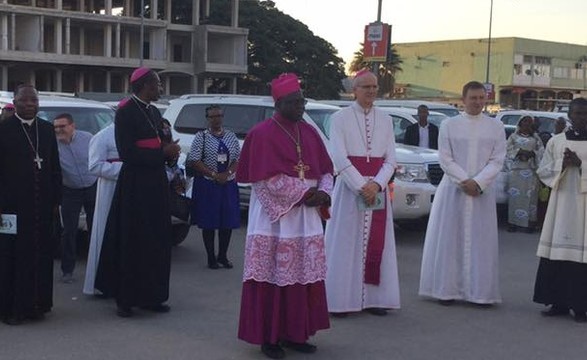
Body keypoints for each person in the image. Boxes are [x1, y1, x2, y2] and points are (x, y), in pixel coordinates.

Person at [236, 73, 333, 359]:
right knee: (272, 277)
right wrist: (306, 195)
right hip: (275, 220)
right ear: (279, 103)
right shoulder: (262, 134)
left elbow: (327, 169)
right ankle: (269, 338)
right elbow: (264, 179)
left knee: (302, 276)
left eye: (302, 100)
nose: (301, 105)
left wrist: (324, 192)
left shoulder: (310, 132)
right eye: (295, 101)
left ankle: (296, 332)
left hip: (306, 218)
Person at [95, 68, 181, 318]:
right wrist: (161, 153)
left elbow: (161, 142)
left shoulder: (154, 112)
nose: (160, 89)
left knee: (156, 241)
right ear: (144, 86)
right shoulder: (125, 112)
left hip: (156, 183)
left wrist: (170, 153)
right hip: (134, 184)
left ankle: (152, 296)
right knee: (133, 241)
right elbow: (127, 153)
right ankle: (126, 299)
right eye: (157, 84)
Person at [419, 81, 506, 306]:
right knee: (449, 240)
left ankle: (480, 293)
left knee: (481, 241)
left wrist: (478, 182)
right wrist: (464, 180)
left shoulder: (495, 127)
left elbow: (498, 159)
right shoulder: (449, 125)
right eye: (473, 98)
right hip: (453, 190)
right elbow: (445, 157)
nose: (477, 102)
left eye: (481, 98)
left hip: (481, 192)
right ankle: (446, 291)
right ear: (464, 99)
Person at [324, 69, 400, 317]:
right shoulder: (340, 119)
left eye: (374, 87)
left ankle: (375, 299)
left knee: (377, 243)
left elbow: (391, 159)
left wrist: (376, 185)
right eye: (365, 87)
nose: (371, 91)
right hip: (349, 190)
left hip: (375, 189)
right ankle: (342, 300)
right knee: (346, 244)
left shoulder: (386, 120)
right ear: (354, 90)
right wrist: (360, 185)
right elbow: (338, 156)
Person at [0, 84, 62, 325]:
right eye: (24, 101)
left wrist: (57, 200)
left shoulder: (46, 130)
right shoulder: (4, 130)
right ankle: (11, 308)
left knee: (40, 255)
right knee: (11, 256)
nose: (29, 105)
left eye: (34, 101)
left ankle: (38, 304)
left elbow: (55, 167)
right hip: (11, 207)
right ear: (15, 102)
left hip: (41, 206)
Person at [533, 97, 587, 323]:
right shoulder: (556, 141)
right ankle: (558, 302)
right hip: (561, 204)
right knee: (556, 253)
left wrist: (581, 164)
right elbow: (542, 171)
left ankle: (581, 307)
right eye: (576, 113)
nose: (581, 118)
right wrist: (561, 165)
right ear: (569, 116)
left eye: (585, 114)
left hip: (584, 208)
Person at [186, 105, 240, 269]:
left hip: (228, 183)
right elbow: (195, 160)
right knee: (209, 221)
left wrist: (228, 173)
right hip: (208, 184)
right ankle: (211, 257)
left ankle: (222, 256)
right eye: (212, 117)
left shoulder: (231, 136)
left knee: (227, 221)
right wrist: (214, 175)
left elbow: (237, 158)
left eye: (219, 116)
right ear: (208, 119)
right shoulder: (201, 137)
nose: (216, 119)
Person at [54, 113, 97, 283]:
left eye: (62, 126)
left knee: (95, 228)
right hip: (70, 190)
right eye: (56, 127)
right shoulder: (53, 144)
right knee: (68, 231)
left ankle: (96, 267)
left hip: (92, 185)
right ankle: (67, 270)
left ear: (73, 126)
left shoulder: (88, 138)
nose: (58, 130)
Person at [82, 123, 121, 295]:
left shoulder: (137, 132)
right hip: (110, 190)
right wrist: (125, 168)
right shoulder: (102, 136)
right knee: (106, 232)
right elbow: (94, 166)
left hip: (135, 188)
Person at [505, 115, 544, 233]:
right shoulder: (513, 137)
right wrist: (519, 152)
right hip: (516, 171)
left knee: (530, 198)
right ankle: (513, 223)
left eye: (529, 122)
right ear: (520, 123)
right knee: (515, 198)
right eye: (525, 121)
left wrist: (532, 153)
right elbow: (507, 150)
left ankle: (530, 223)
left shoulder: (536, 138)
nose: (527, 124)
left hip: (531, 171)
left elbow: (541, 151)